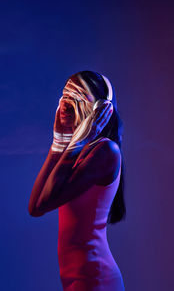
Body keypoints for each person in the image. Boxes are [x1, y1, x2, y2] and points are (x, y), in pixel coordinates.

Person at [28, 70, 126, 290]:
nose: (65, 103)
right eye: (65, 94)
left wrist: (79, 138)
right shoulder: (79, 150)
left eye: (77, 95)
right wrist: (59, 142)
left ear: (99, 109)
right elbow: (34, 207)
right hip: (77, 279)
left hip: (95, 280)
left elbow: (45, 202)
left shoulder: (104, 151)